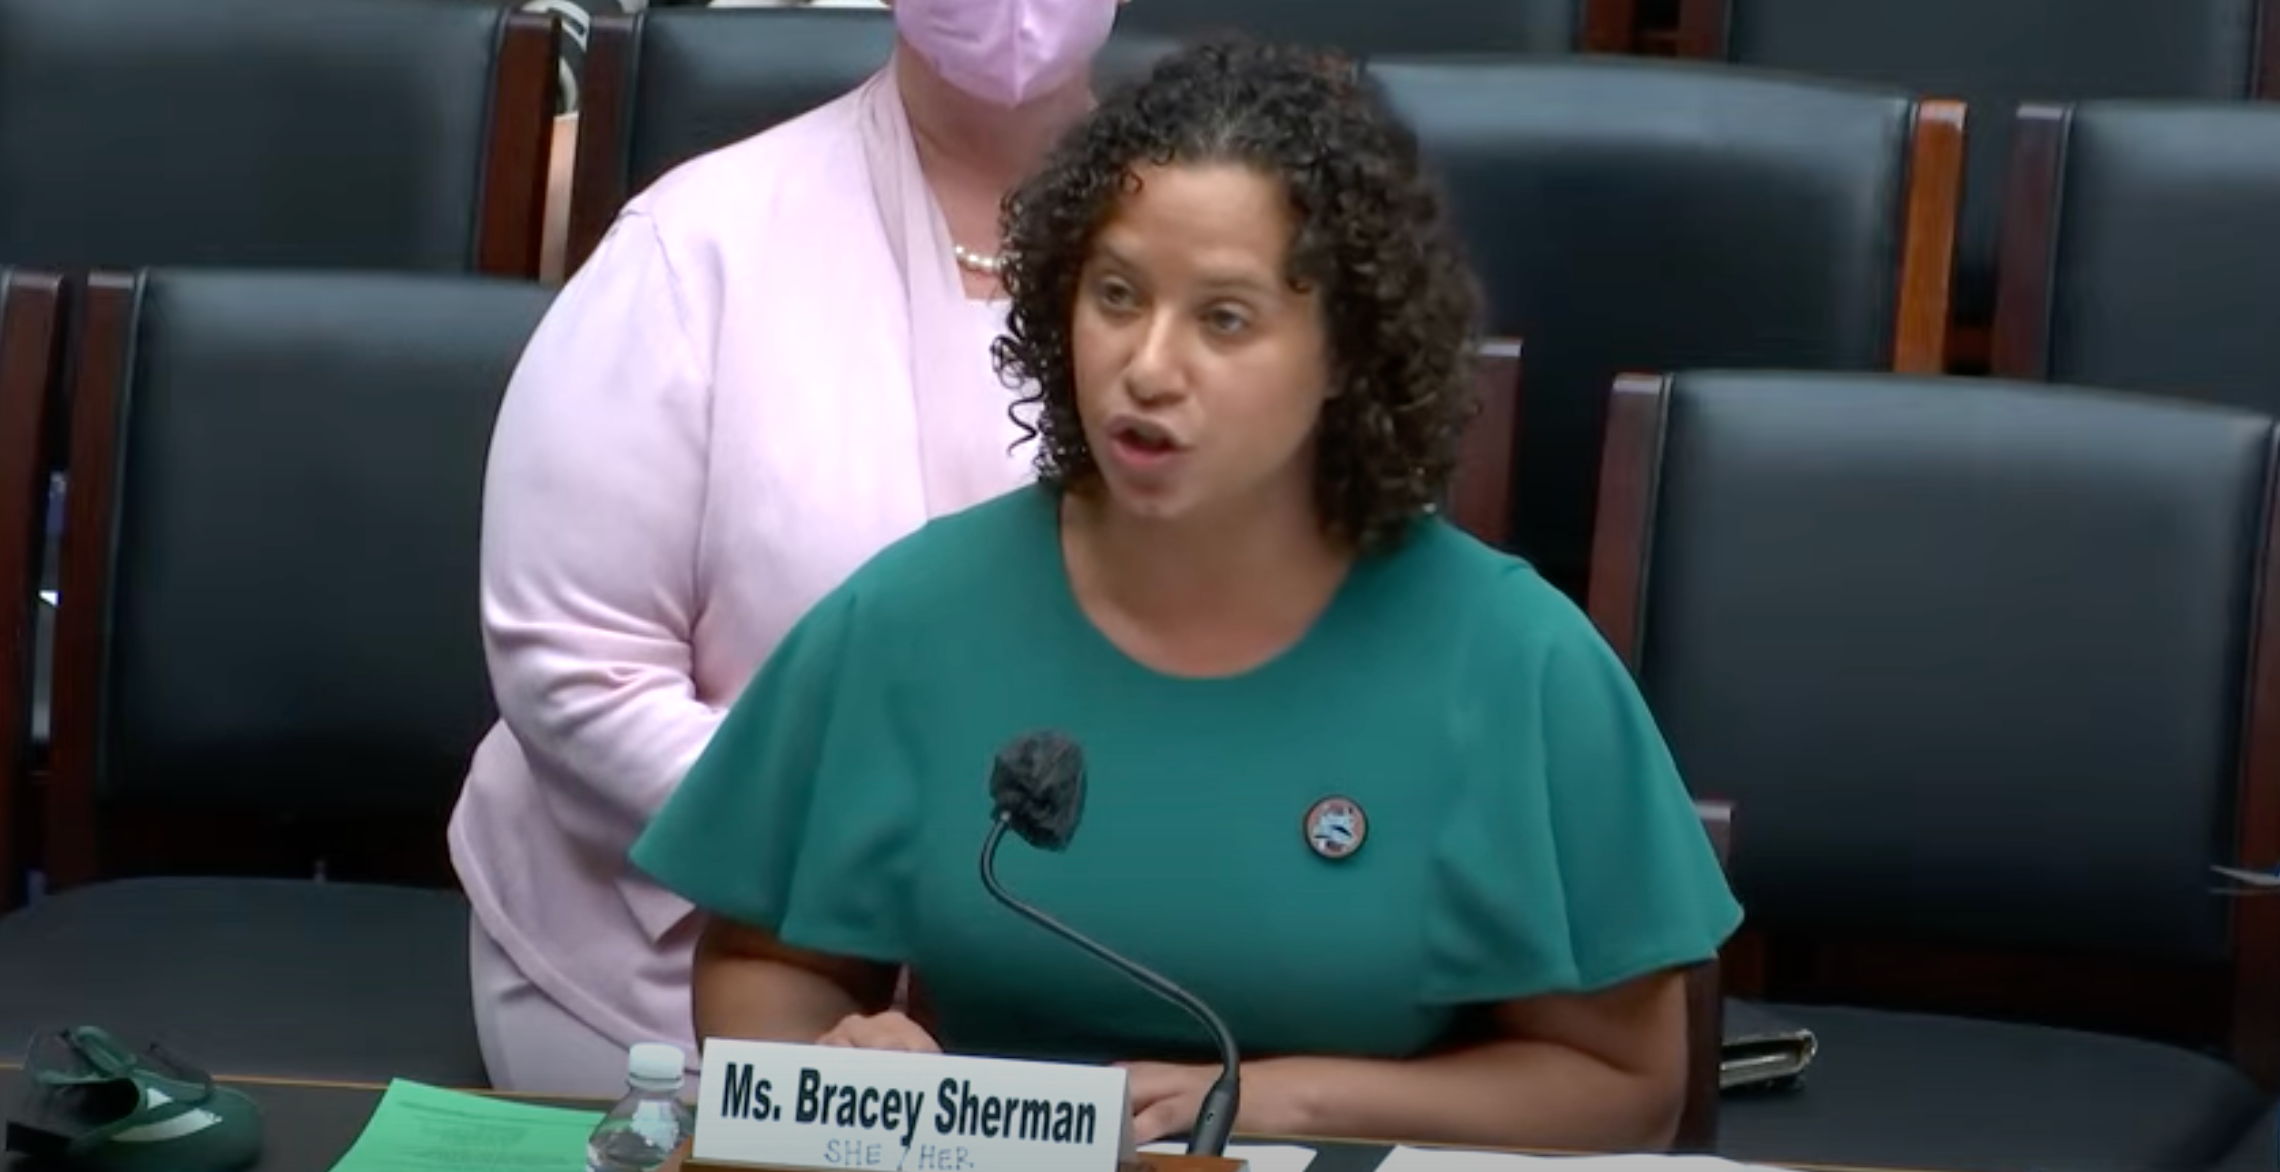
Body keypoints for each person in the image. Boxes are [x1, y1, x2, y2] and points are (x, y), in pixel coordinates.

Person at [629, 38, 1745, 1152]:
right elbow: (766, 966)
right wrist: (842, 1058)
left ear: (1348, 352)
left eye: (1224, 318)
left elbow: (1620, 1083)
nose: (1148, 364)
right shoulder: (916, 615)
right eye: (1116, 295)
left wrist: (1270, 1095)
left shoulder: (1513, 659)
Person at [447, 0, 1130, 1098]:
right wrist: (875, 860)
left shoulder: (1221, 266)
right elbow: (574, 664)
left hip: (1106, 966)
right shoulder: (699, 244)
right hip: (665, 970)